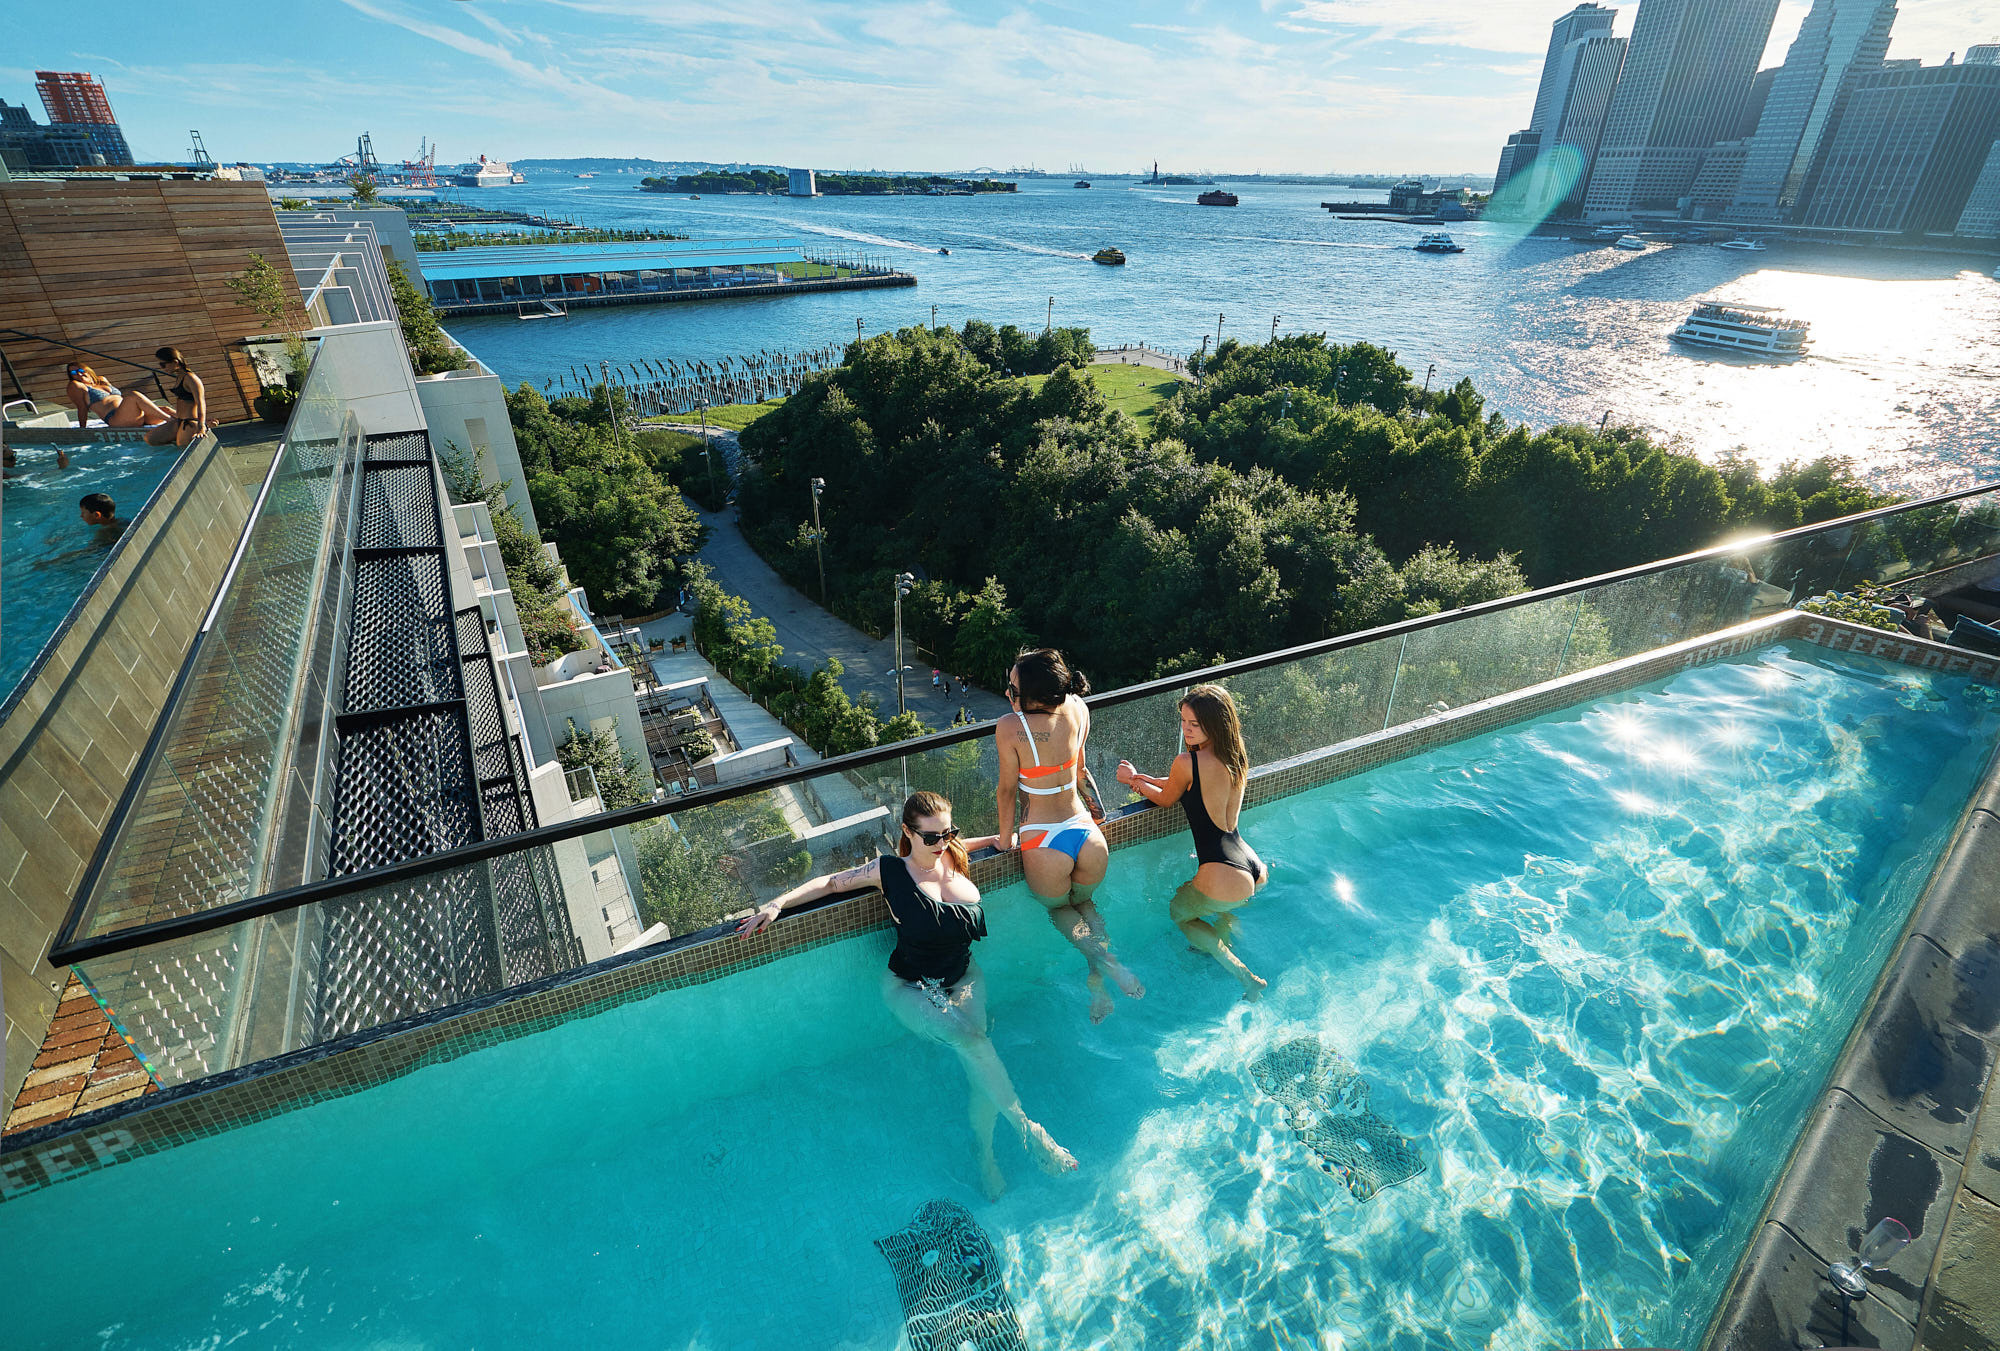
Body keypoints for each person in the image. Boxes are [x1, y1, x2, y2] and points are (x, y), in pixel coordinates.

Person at [737, 791, 1075, 1199]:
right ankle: (1029, 1130)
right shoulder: (890, 871)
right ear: (907, 833)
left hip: (965, 977)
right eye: (930, 837)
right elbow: (829, 882)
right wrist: (777, 903)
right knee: (973, 1043)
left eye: (948, 833)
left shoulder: (950, 854)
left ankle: (984, 1153)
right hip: (912, 986)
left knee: (978, 1058)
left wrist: (998, 840)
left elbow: (973, 843)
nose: (941, 843)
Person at [996, 647, 1143, 1023]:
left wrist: (1004, 840)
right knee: (1088, 906)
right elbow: (1081, 772)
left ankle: (1108, 963)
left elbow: (1007, 791)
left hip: (1044, 841)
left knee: (1062, 910)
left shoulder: (1011, 727)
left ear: (1033, 696)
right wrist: (1099, 812)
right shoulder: (1079, 707)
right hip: (1087, 835)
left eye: (1013, 688)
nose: (1009, 693)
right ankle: (1100, 981)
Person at [1116, 684, 1269, 1002]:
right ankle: (1222, 932)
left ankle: (1246, 978)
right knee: (1218, 905)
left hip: (1224, 871)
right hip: (1251, 866)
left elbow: (1167, 797)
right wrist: (1143, 776)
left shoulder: (1187, 761)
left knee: (1179, 912)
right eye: (1183, 721)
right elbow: (1183, 784)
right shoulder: (1235, 755)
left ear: (1214, 723)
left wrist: (1132, 781)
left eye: (1194, 724)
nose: (1186, 729)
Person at [65, 364, 169, 431]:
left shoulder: (102, 380)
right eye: (73, 373)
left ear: (87, 369)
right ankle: (171, 420)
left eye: (80, 370)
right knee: (133, 396)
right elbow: (81, 408)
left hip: (132, 416)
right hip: (116, 419)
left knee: (165, 409)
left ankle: (182, 421)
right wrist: (82, 430)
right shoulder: (76, 385)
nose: (79, 373)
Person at [144, 347, 209, 448]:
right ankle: (178, 437)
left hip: (190, 422)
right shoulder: (180, 377)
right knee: (150, 438)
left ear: (175, 362)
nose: (162, 368)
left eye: (163, 364)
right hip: (179, 421)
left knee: (182, 448)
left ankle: (190, 433)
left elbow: (201, 403)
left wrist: (201, 426)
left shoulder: (191, 379)